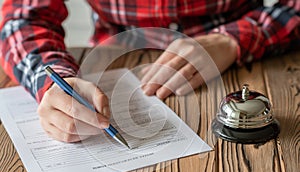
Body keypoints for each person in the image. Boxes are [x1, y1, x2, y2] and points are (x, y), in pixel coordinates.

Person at [1, 0, 299, 143]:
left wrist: (237, 38)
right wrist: (55, 79)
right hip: (114, 67)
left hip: (249, 63)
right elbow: (21, 19)